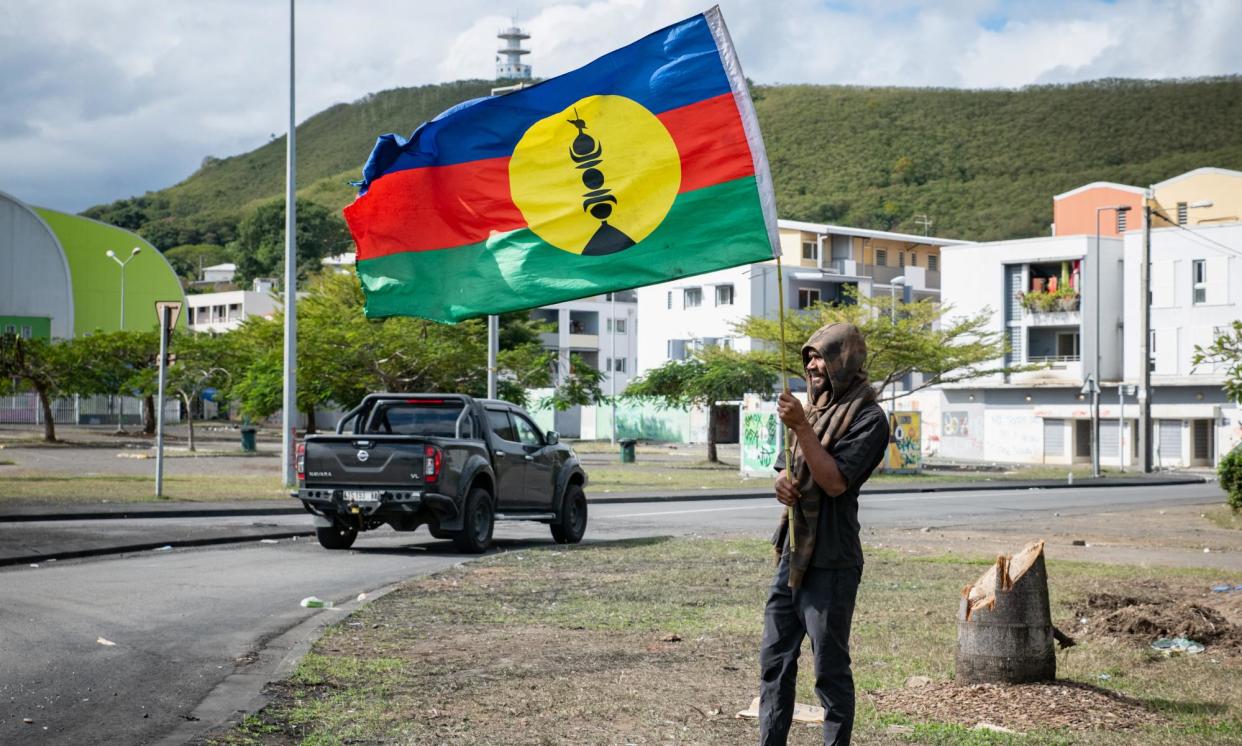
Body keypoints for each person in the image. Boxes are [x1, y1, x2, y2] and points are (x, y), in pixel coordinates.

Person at [758, 322, 890, 746]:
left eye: (821, 357)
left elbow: (834, 482)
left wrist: (801, 427)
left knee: (828, 671)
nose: (812, 366)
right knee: (775, 661)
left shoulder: (869, 418)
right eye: (809, 357)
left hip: (832, 561)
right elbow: (786, 466)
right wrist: (781, 482)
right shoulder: (811, 409)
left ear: (844, 361)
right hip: (792, 557)